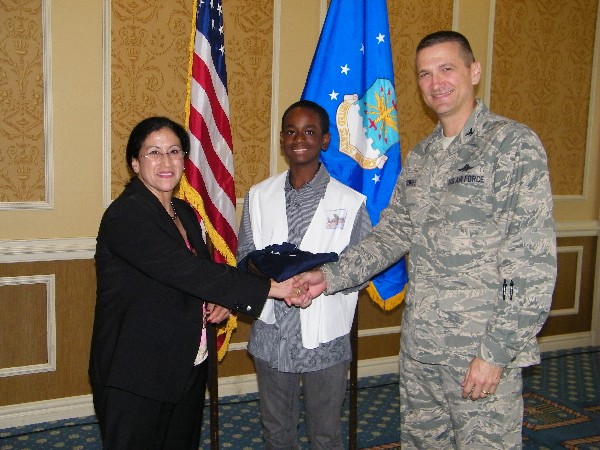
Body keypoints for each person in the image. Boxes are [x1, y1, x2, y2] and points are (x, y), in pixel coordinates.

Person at [292, 31, 557, 449]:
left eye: (447, 69)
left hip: (479, 350)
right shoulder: (422, 156)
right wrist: (329, 276)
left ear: (474, 71)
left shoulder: (512, 145)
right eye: (425, 74)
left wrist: (497, 353)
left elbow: (529, 262)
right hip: (421, 352)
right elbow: (393, 233)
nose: (436, 83)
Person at [89, 116, 309, 450]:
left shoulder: (185, 212)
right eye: (153, 153)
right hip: (137, 373)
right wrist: (273, 288)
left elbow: (202, 274)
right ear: (135, 163)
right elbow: (184, 271)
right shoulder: (126, 216)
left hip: (186, 364)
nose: (166, 162)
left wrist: (219, 298)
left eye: (174, 151)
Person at [237, 100, 372, 449]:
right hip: (272, 333)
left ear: (325, 140)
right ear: (282, 139)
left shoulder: (351, 202)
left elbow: (361, 270)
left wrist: (317, 278)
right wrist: (274, 280)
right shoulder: (258, 196)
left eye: (310, 131)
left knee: (324, 434)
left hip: (325, 336)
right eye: (292, 131)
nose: (300, 138)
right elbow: (245, 258)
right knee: (276, 432)